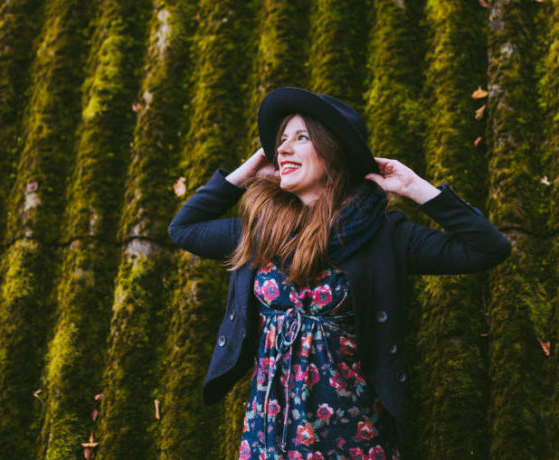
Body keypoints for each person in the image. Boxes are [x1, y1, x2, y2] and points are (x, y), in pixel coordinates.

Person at [168, 87, 511, 459]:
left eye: (301, 138)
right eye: (280, 141)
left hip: (351, 438)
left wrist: (415, 188)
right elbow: (183, 229)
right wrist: (242, 174)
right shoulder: (261, 231)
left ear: (335, 152)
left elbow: (487, 248)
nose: (282, 149)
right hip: (269, 435)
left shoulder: (384, 237)